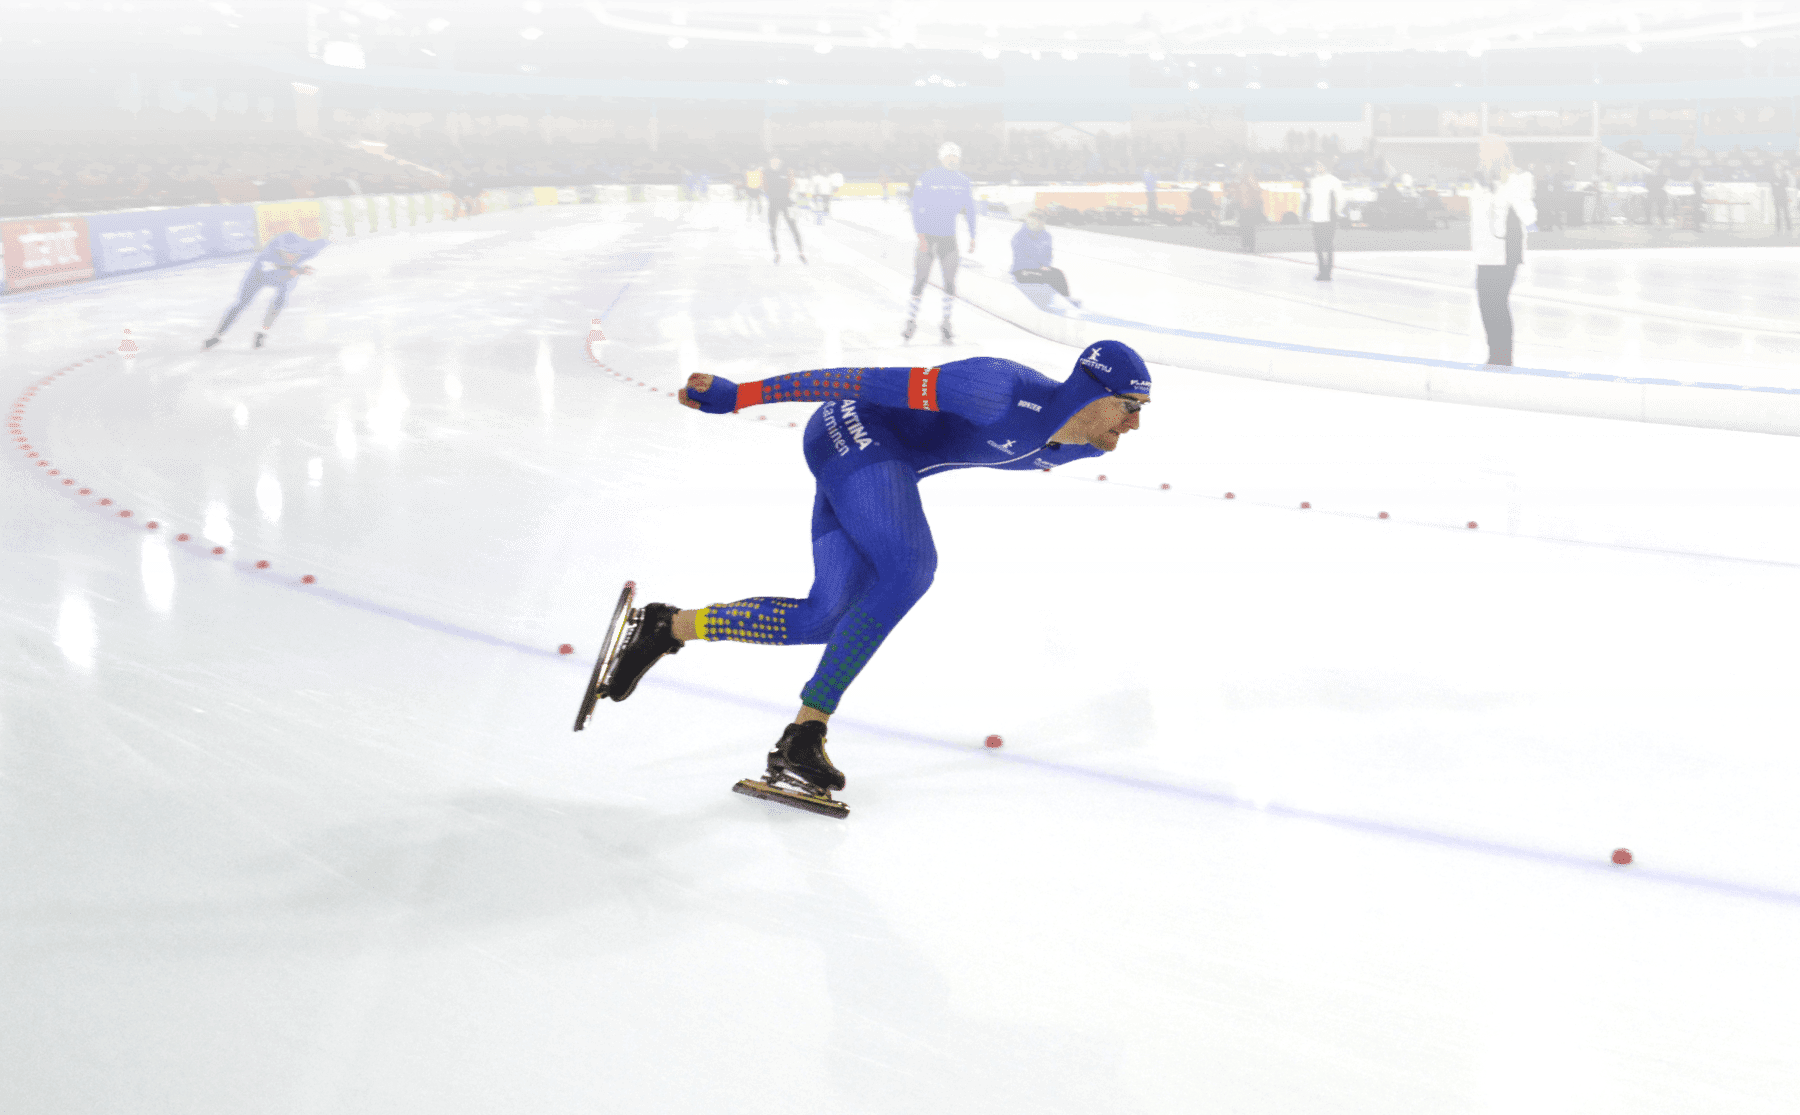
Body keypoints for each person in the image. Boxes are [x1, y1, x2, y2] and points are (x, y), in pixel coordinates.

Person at [599, 340, 1154, 807]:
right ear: (1093, 392)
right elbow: (857, 381)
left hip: (883, 466)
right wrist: (741, 395)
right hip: (852, 426)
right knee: (910, 568)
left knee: (825, 618)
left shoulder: (1084, 451)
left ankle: (667, 626)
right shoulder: (994, 389)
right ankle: (805, 731)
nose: (1134, 423)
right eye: (1129, 405)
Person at [1468, 135, 1537, 368]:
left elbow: (1529, 214)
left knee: (1496, 302)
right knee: (1486, 304)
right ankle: (1495, 356)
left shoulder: (1517, 180)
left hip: (1506, 250)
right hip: (1486, 250)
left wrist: (1509, 197)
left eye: (1482, 151)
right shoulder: (1482, 182)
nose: (1478, 156)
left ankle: (1502, 357)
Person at [201, 230, 328, 351]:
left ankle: (263, 331)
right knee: (242, 303)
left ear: (302, 251)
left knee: (281, 299)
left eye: (294, 254)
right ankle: (217, 336)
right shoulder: (268, 254)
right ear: (279, 250)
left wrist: (332, 237)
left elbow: (327, 240)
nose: (290, 256)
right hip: (259, 275)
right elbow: (276, 275)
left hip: (287, 272)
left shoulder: (310, 249)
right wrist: (297, 270)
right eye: (286, 253)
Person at [906, 141, 977, 343]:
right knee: (920, 280)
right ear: (942, 158)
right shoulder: (928, 178)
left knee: (950, 282)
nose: (953, 160)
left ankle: (946, 322)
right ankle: (911, 321)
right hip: (927, 238)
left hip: (948, 239)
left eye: (956, 157)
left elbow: (970, 209)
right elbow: (916, 207)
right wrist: (920, 236)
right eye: (949, 157)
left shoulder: (963, 181)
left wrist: (973, 234)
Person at [1010, 208, 1079, 306]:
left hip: (1039, 269)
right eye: (1035, 218)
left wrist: (1045, 266)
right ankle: (1048, 304)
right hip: (1021, 270)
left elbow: (1048, 255)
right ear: (1029, 220)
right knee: (1047, 277)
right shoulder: (1019, 236)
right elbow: (1020, 258)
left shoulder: (1046, 236)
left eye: (1041, 218)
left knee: (1058, 274)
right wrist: (1039, 267)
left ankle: (1066, 299)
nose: (1038, 221)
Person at [1304, 156, 1344, 281]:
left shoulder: (1334, 181)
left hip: (1329, 218)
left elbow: (1341, 198)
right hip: (1316, 217)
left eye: (1320, 165)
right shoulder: (1313, 181)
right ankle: (1321, 269)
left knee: (1327, 245)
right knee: (1318, 246)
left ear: (1326, 166)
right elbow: (1311, 199)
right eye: (1316, 165)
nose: (1318, 167)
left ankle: (1328, 271)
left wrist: (1336, 212)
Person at [764, 155, 805, 264]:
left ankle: (800, 251)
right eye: (772, 161)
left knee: (793, 227)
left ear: (780, 162)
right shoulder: (766, 172)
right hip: (773, 203)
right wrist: (772, 195)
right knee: (773, 228)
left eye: (776, 161)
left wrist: (790, 198)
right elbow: (764, 186)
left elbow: (792, 184)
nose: (774, 163)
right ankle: (776, 252)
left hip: (786, 203)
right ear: (769, 162)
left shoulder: (787, 171)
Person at [1227, 162, 1264, 252]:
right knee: (1245, 227)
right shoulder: (1242, 178)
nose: (1237, 169)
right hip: (1245, 205)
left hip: (1249, 206)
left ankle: (1249, 246)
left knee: (1248, 227)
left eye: (1238, 167)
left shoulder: (1246, 177)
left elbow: (1254, 191)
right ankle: (1247, 246)